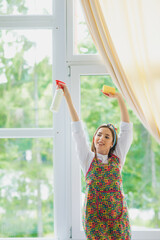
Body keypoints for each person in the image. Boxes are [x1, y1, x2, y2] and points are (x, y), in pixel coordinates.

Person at [60, 82, 133, 239]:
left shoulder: (118, 158)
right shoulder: (87, 159)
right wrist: (67, 96)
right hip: (94, 220)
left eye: (107, 136)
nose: (101, 138)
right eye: (99, 134)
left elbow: (127, 129)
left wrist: (119, 98)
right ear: (93, 139)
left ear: (113, 143)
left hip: (119, 218)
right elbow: (77, 130)